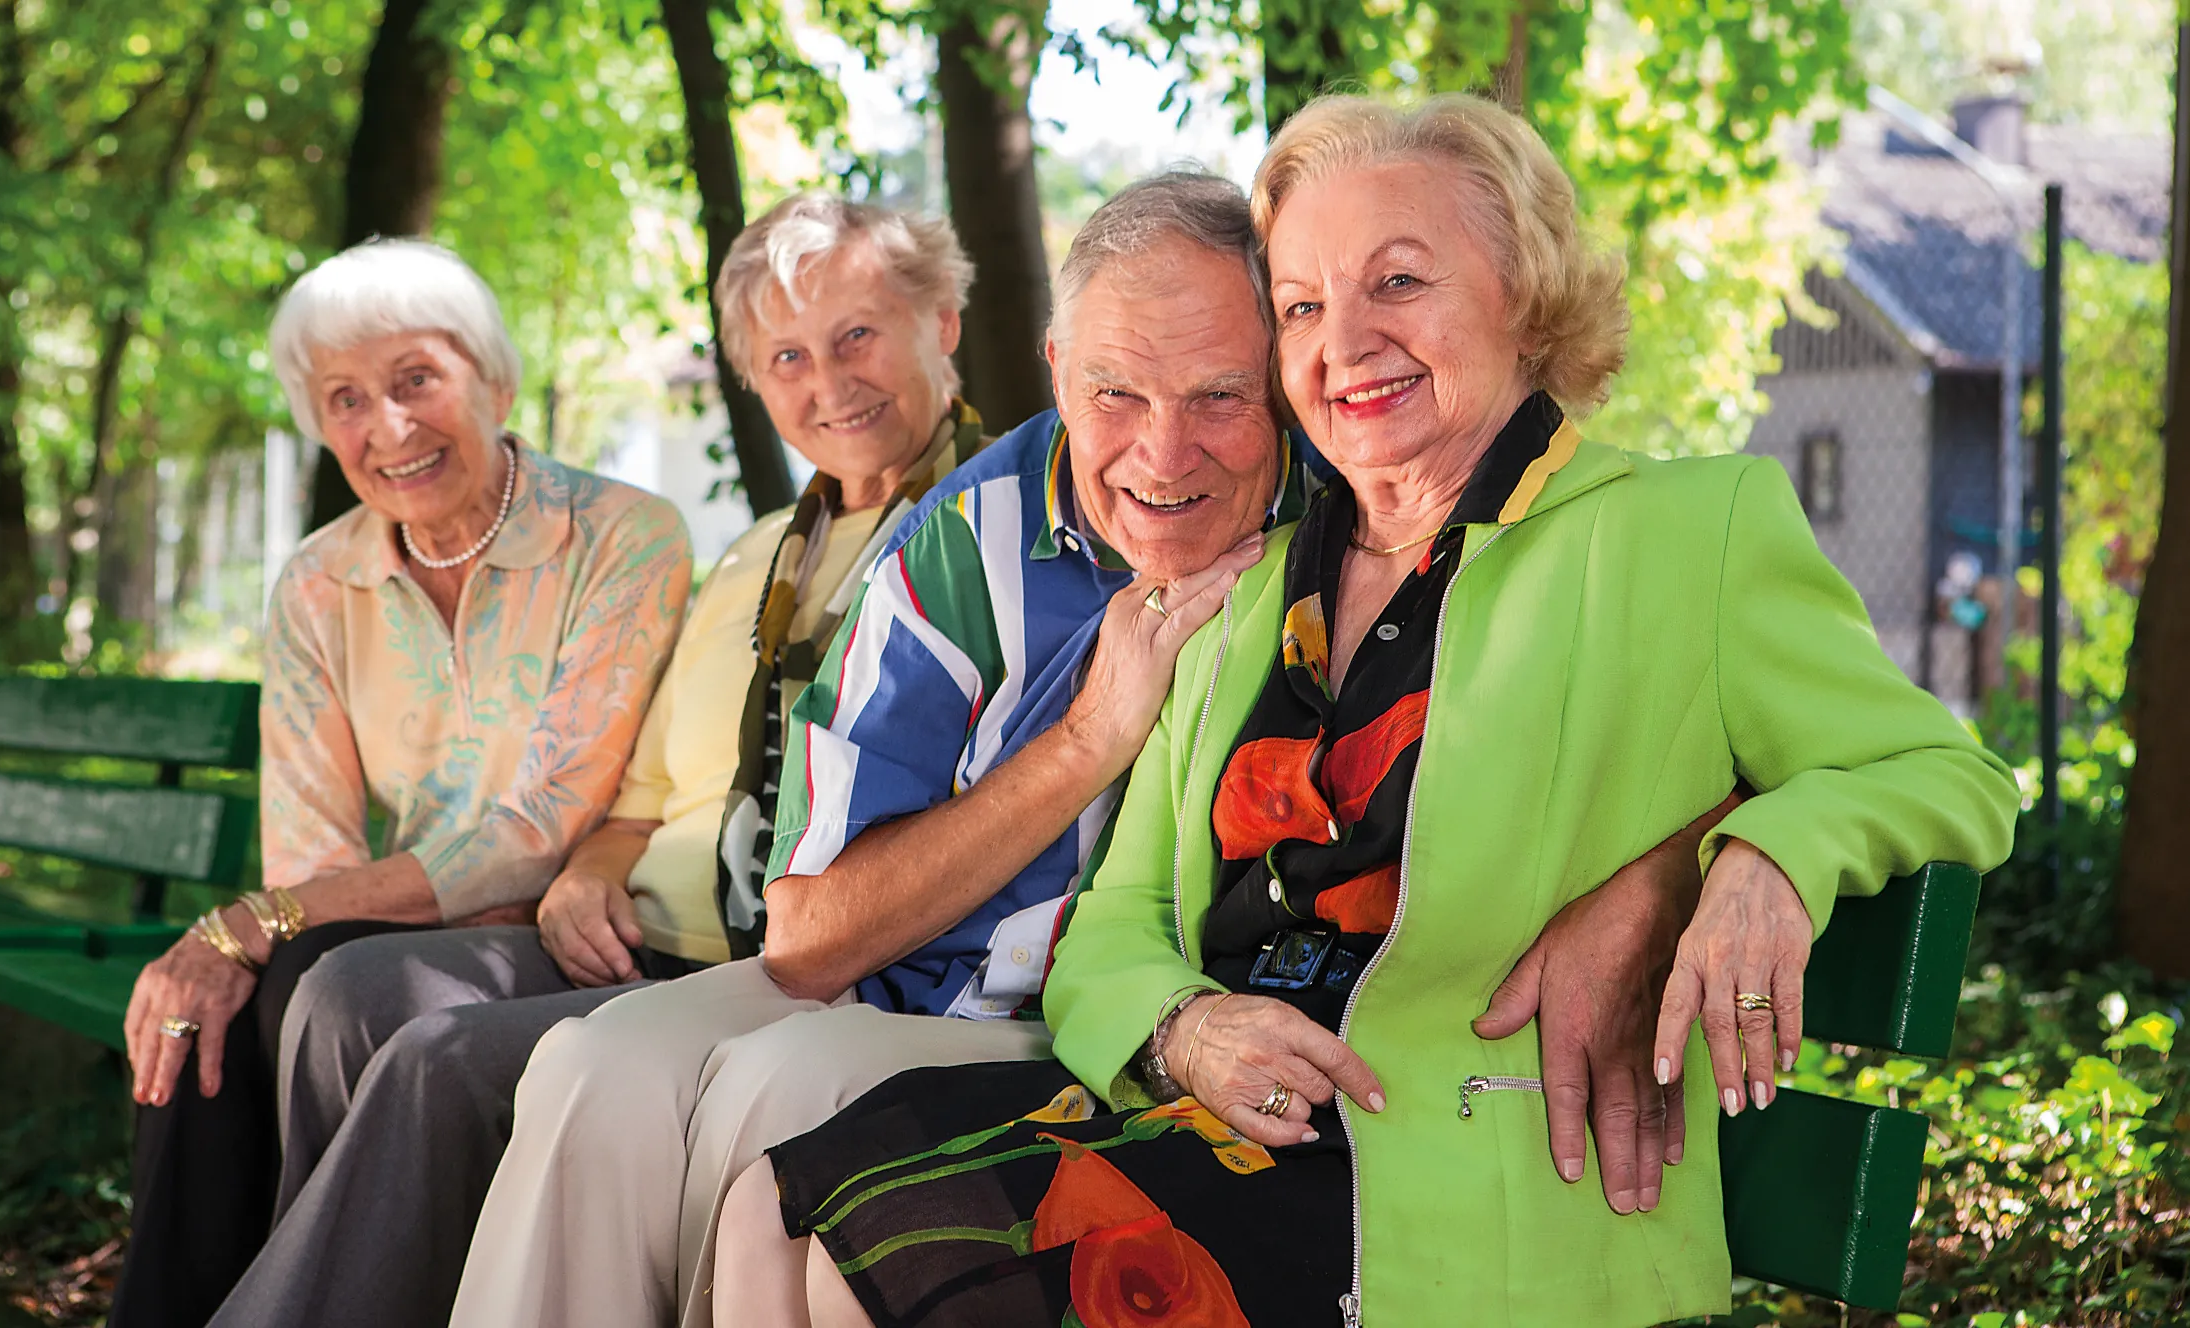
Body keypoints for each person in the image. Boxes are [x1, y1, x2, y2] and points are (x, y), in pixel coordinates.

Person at [720, 92, 2020, 1328]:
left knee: (883, 1257)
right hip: (1220, 1129)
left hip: (1471, 1177)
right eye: (1300, 304)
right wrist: (1183, 1029)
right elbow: (1117, 923)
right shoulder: (1249, 594)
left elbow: (1944, 774)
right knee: (781, 1213)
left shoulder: (1685, 533)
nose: (1343, 342)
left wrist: (1727, 866)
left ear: (1525, 290)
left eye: (1399, 280)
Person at [453, 169, 1722, 1328]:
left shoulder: (1352, 519)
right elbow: (807, 937)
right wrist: (1087, 738)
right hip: (898, 978)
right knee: (593, 1061)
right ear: (1056, 368)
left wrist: (1669, 868)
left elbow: (1697, 703)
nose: (1163, 456)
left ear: (1280, 374)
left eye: (1221, 395)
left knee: (771, 1094)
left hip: (1100, 1023)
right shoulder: (965, 546)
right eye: (1114, 394)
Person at [199, 194, 994, 1328]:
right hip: (635, 937)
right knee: (339, 985)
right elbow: (642, 797)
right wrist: (591, 867)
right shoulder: (757, 556)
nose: (827, 382)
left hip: (772, 963)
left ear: (943, 321)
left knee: (438, 1059)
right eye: (786, 356)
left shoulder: (992, 531)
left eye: (857, 334)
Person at [108, 239, 692, 1327]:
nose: (388, 427)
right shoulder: (322, 582)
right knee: (219, 1011)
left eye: (417, 378)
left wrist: (260, 919)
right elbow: (313, 855)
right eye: (345, 399)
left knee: (320, 981)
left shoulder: (621, 537)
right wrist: (258, 932)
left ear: (493, 378)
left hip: (589, 936)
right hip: (415, 926)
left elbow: (545, 823)